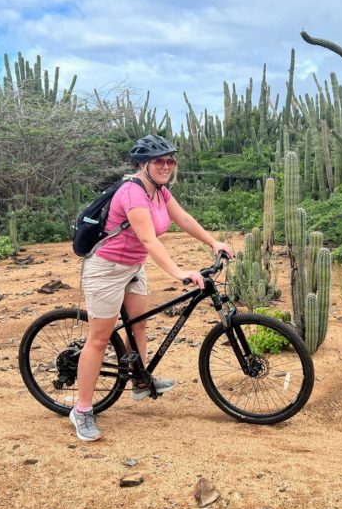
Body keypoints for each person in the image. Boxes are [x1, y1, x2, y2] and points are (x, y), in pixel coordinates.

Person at [70, 134, 234, 441]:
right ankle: (82, 411)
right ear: (143, 165)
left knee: (140, 325)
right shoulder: (132, 193)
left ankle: (140, 381)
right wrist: (178, 272)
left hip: (132, 266)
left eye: (170, 160)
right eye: (159, 161)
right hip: (105, 269)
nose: (166, 165)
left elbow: (183, 218)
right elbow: (148, 239)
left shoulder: (160, 191)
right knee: (99, 338)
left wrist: (214, 242)